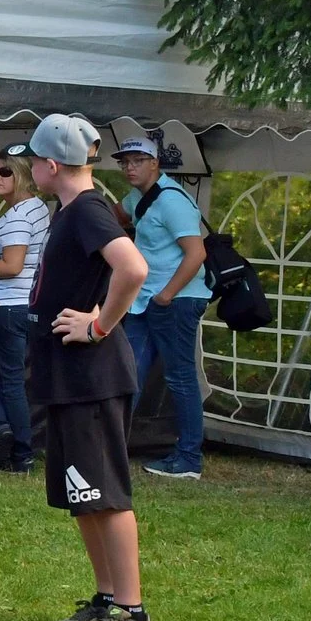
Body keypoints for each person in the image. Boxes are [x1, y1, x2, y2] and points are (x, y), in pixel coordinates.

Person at [25, 114, 156, 621]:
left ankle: (133, 615)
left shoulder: (87, 211)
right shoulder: (72, 211)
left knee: (106, 493)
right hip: (69, 378)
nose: (29, 167)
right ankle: (107, 599)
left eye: (31, 160)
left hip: (93, 378)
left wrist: (98, 324)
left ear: (51, 165)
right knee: (84, 491)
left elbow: (134, 268)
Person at [116, 132, 211, 480]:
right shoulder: (138, 197)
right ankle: (108, 448)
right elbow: (113, 216)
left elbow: (196, 253)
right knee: (128, 375)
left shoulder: (172, 200)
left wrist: (166, 295)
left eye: (138, 161)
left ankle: (188, 459)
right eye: (125, 162)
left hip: (175, 300)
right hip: (145, 301)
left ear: (155, 164)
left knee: (180, 377)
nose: (130, 168)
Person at [0, 147, 50, 472]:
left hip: (8, 304)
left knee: (7, 380)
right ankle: (11, 438)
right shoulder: (33, 209)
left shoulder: (19, 215)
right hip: (24, 304)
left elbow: (12, 266)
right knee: (3, 377)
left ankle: (21, 452)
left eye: (6, 171)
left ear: (22, 174)